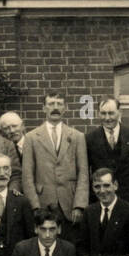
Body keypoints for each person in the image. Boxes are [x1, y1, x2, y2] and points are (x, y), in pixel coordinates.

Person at [21, 92, 90, 229]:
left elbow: (83, 173)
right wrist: (35, 206)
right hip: (43, 202)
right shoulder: (31, 137)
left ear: (66, 108)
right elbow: (27, 176)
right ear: (44, 108)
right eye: (51, 104)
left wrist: (79, 205)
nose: (55, 107)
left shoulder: (77, 136)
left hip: (69, 203)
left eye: (59, 104)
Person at [85, 97, 129, 210]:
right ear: (98, 114)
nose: (107, 118)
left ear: (119, 113)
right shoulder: (90, 139)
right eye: (103, 113)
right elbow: (85, 172)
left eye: (111, 113)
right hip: (101, 200)